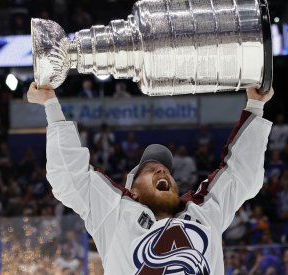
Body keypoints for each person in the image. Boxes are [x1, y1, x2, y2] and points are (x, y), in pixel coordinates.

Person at [27, 82, 273, 274]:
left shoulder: (204, 213)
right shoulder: (114, 214)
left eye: (165, 170)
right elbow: (70, 176)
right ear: (132, 192)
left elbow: (241, 175)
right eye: (149, 170)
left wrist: (255, 104)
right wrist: (50, 102)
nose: (162, 171)